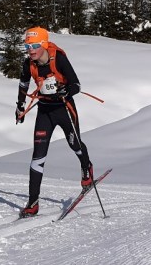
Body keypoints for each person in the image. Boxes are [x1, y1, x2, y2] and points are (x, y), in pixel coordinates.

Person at [16, 26, 93, 218]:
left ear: (44, 44)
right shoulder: (28, 64)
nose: (31, 50)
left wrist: (66, 91)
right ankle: (33, 203)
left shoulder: (58, 58)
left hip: (64, 108)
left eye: (34, 46)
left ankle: (86, 167)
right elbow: (23, 84)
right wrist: (20, 106)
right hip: (45, 111)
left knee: (75, 144)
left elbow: (76, 84)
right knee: (38, 157)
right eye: (27, 46)